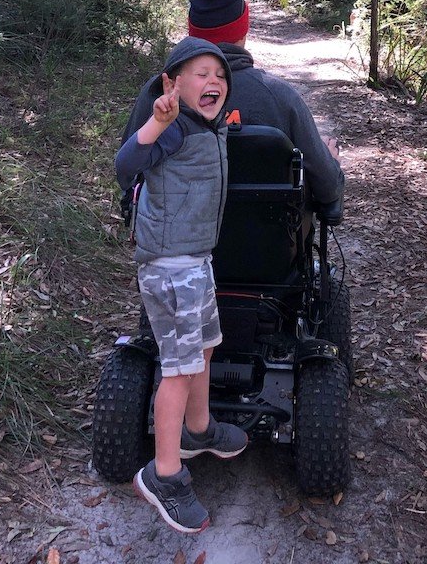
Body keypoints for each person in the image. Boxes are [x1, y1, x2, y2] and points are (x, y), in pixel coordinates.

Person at [115, 36, 248, 535]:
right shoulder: (170, 129)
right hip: (170, 266)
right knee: (179, 367)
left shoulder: (211, 127)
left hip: (196, 260)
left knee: (206, 348)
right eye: (199, 74)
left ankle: (198, 429)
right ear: (171, 84)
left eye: (219, 74)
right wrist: (157, 121)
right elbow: (125, 166)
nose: (213, 81)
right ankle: (163, 473)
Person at [122, 0, 345, 209]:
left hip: (174, 240)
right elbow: (328, 190)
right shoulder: (280, 96)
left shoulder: (158, 93)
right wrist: (329, 163)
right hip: (266, 241)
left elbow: (129, 177)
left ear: (193, 32)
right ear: (243, 29)